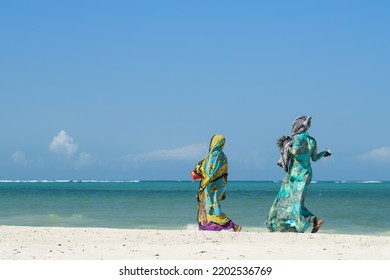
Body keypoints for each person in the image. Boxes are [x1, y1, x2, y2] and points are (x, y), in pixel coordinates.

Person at [265, 116, 331, 233]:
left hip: (294, 174)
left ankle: (314, 220)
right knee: (296, 201)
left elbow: (295, 152)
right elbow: (314, 158)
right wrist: (324, 153)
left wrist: (287, 147)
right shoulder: (312, 140)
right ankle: (299, 224)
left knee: (288, 200)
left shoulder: (296, 139)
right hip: (306, 173)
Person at [192, 134, 241, 232]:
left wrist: (197, 169)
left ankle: (233, 225)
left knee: (211, 207)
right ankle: (212, 226)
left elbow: (202, 170)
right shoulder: (224, 157)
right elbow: (225, 174)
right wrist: (224, 190)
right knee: (215, 206)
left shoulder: (211, 156)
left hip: (210, 185)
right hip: (221, 184)